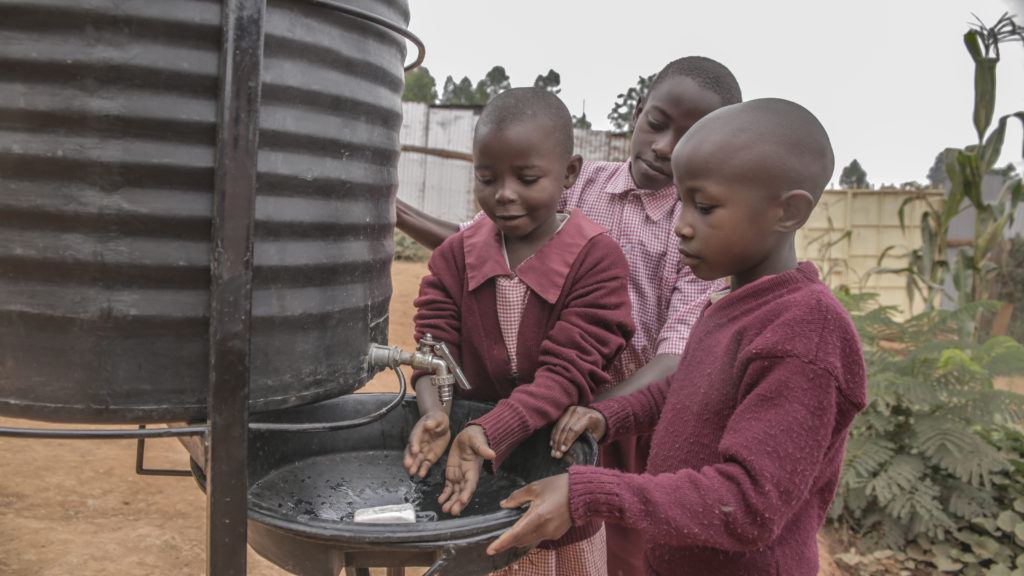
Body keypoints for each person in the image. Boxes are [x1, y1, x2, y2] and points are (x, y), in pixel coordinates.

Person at [485, 98, 869, 576]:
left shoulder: (805, 333)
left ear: (788, 212)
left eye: (704, 207)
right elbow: (688, 388)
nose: (681, 226)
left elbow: (747, 504)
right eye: (681, 202)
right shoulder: (733, 303)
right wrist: (607, 416)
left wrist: (591, 492)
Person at [398, 57, 742, 575]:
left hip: (629, 405)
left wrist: (585, 413)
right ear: (637, 116)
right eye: (657, 123)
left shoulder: (695, 223)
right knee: (509, 525)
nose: (666, 146)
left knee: (618, 542)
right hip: (539, 395)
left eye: (691, 136)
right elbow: (477, 241)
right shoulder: (581, 183)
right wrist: (395, 211)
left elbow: (675, 355)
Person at [402, 87, 635, 575]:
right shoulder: (455, 256)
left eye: (527, 178)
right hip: (467, 476)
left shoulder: (595, 261)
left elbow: (566, 374)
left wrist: (487, 429)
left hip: (549, 473)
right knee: (472, 554)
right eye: (487, 179)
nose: (503, 194)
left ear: (569, 172)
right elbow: (432, 351)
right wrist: (434, 411)